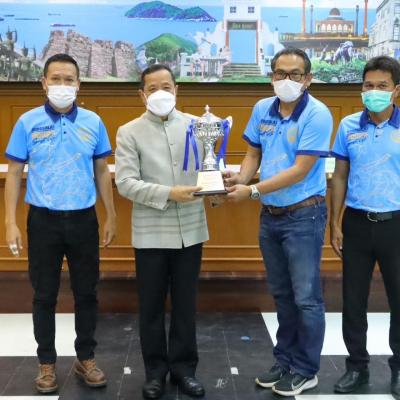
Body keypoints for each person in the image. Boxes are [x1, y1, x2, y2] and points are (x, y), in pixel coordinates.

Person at [4, 53, 116, 394]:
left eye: (69, 80)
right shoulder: (27, 122)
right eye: (56, 79)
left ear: (79, 84)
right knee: (44, 295)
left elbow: (101, 170)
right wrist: (9, 222)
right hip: (43, 221)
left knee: (87, 293)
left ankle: (86, 359)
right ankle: (46, 365)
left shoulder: (93, 122)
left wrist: (110, 215)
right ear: (44, 83)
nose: (62, 85)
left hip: (83, 219)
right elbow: (14, 174)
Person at [225, 47, 333, 397]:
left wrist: (252, 190)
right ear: (271, 76)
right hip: (271, 216)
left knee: (306, 298)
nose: (287, 80)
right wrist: (241, 179)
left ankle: (306, 369)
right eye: (280, 73)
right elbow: (253, 153)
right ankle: (284, 361)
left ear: (308, 79)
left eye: (295, 74)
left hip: (304, 215)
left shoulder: (317, 114)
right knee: (282, 295)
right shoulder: (262, 109)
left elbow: (300, 170)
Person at [115, 64, 208, 399]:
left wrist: (218, 183)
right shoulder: (129, 132)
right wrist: (170, 193)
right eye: (152, 88)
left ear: (176, 90)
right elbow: (125, 183)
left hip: (190, 231)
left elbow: (208, 170)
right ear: (142, 94)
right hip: (151, 233)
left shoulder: (199, 126)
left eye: (166, 86)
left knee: (186, 305)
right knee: (151, 306)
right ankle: (155, 372)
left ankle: (184, 370)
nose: (160, 93)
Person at [330, 55, 400, 399]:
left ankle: (399, 369)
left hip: (395, 224)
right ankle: (356, 367)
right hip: (356, 223)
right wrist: (335, 221)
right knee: (353, 300)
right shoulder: (348, 126)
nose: (374, 91)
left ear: (396, 90)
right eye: (368, 85)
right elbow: (340, 176)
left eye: (382, 86)